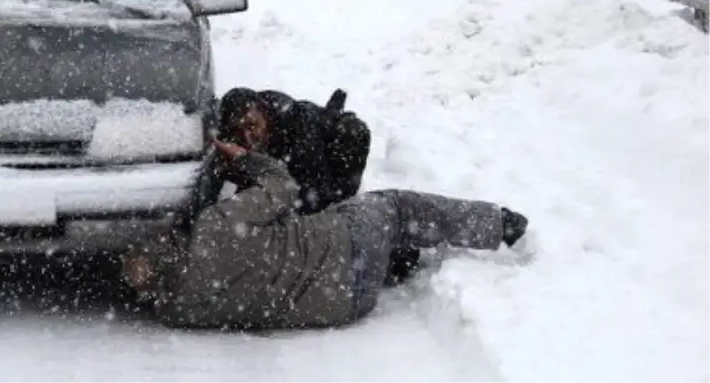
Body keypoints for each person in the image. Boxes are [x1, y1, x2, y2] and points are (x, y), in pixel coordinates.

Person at [124, 141, 529, 330]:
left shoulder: (178, 313)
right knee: (395, 206)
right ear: (167, 240)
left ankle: (403, 261)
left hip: (345, 305)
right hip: (348, 245)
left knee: (363, 237)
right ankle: (498, 225)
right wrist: (247, 160)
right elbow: (284, 188)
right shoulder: (217, 225)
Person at [215, 87, 422, 285]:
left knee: (324, 217)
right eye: (238, 131)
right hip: (288, 170)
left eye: (252, 126)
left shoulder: (299, 128)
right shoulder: (234, 135)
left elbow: (315, 195)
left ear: (264, 113)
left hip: (324, 161)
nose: (248, 137)